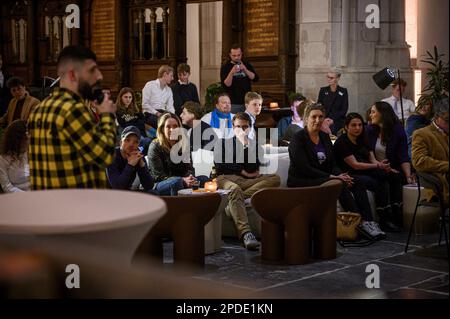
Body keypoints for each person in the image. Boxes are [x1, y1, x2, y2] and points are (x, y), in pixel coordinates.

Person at [28, 45, 116, 189]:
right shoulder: (73, 110)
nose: (99, 76)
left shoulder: (39, 110)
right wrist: (107, 115)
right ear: (72, 75)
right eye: (92, 70)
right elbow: (104, 156)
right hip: (76, 206)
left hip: (49, 206)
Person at [287, 104, 381, 237]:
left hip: (323, 177)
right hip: (302, 180)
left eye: (321, 117)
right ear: (306, 118)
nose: (318, 120)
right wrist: (333, 177)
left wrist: (340, 174)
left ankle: (368, 222)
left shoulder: (325, 137)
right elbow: (304, 168)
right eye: (314, 117)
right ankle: (357, 222)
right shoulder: (298, 139)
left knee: (357, 181)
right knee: (340, 184)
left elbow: (333, 164)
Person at [214, 112, 280, 250]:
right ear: (233, 127)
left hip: (245, 182)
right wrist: (242, 171)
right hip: (226, 179)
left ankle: (233, 200)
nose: (241, 130)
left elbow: (253, 167)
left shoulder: (254, 145)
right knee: (234, 188)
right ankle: (246, 234)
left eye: (245, 127)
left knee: (275, 178)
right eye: (238, 127)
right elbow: (221, 166)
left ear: (249, 128)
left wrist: (245, 145)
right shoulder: (222, 143)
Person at [333, 113, 400, 233]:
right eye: (353, 125)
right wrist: (378, 165)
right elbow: (355, 165)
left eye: (360, 125)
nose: (357, 128)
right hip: (351, 173)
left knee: (392, 176)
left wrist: (384, 167)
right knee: (376, 182)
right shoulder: (342, 142)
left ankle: (395, 214)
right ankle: (380, 219)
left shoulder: (364, 138)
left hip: (367, 169)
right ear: (346, 127)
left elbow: (372, 160)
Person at [366, 101, 415, 227]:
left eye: (373, 112)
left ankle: (397, 213)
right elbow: (368, 153)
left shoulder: (398, 130)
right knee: (383, 177)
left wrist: (408, 175)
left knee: (398, 177)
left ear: (382, 114)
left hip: (392, 167)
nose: (370, 115)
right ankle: (384, 217)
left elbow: (403, 156)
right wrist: (379, 165)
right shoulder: (370, 130)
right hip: (375, 166)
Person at [147, 113, 208, 196]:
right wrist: (182, 180)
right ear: (162, 129)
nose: (172, 130)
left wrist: (190, 178)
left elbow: (189, 168)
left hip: (181, 181)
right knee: (176, 182)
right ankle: (179, 208)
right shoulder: (155, 146)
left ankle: (199, 208)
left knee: (204, 179)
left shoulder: (184, 144)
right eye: (168, 127)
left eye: (175, 126)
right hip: (160, 184)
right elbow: (158, 176)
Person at [412, 97, 449, 206]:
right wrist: (447, 166)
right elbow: (419, 161)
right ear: (437, 117)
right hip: (438, 179)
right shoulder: (422, 134)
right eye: (447, 120)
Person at [106, 126, 155, 192]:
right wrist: (130, 165)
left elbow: (149, 186)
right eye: (127, 140)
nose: (131, 144)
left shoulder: (137, 155)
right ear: (121, 143)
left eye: (135, 142)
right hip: (107, 193)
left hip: (127, 193)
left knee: (153, 193)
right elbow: (117, 187)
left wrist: (142, 166)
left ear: (138, 145)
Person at [220, 44, 259, 114]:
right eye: (234, 55)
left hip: (248, 102)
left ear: (241, 54)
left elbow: (255, 78)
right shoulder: (226, 67)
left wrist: (245, 70)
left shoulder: (246, 64)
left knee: (248, 123)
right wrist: (231, 72)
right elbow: (226, 84)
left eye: (238, 55)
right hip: (234, 103)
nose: (237, 57)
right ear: (230, 55)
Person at [116, 87, 151, 153]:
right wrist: (136, 121)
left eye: (130, 97)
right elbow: (123, 124)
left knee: (148, 141)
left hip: (141, 134)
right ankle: (137, 151)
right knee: (146, 141)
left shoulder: (135, 109)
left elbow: (143, 122)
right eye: (125, 97)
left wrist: (131, 122)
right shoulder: (117, 110)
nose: (128, 99)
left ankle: (137, 151)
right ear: (120, 97)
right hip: (129, 134)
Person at [0, 120, 30, 192]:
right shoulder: (3, 159)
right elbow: (7, 186)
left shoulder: (29, 153)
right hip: (16, 197)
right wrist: (27, 196)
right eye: (25, 140)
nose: (28, 142)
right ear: (16, 141)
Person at [317, 68, 348, 135]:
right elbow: (319, 107)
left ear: (338, 78)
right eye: (328, 77)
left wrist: (332, 120)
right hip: (324, 119)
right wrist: (324, 119)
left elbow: (344, 110)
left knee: (333, 129)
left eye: (331, 78)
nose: (329, 79)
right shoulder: (323, 90)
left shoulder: (343, 91)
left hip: (338, 120)